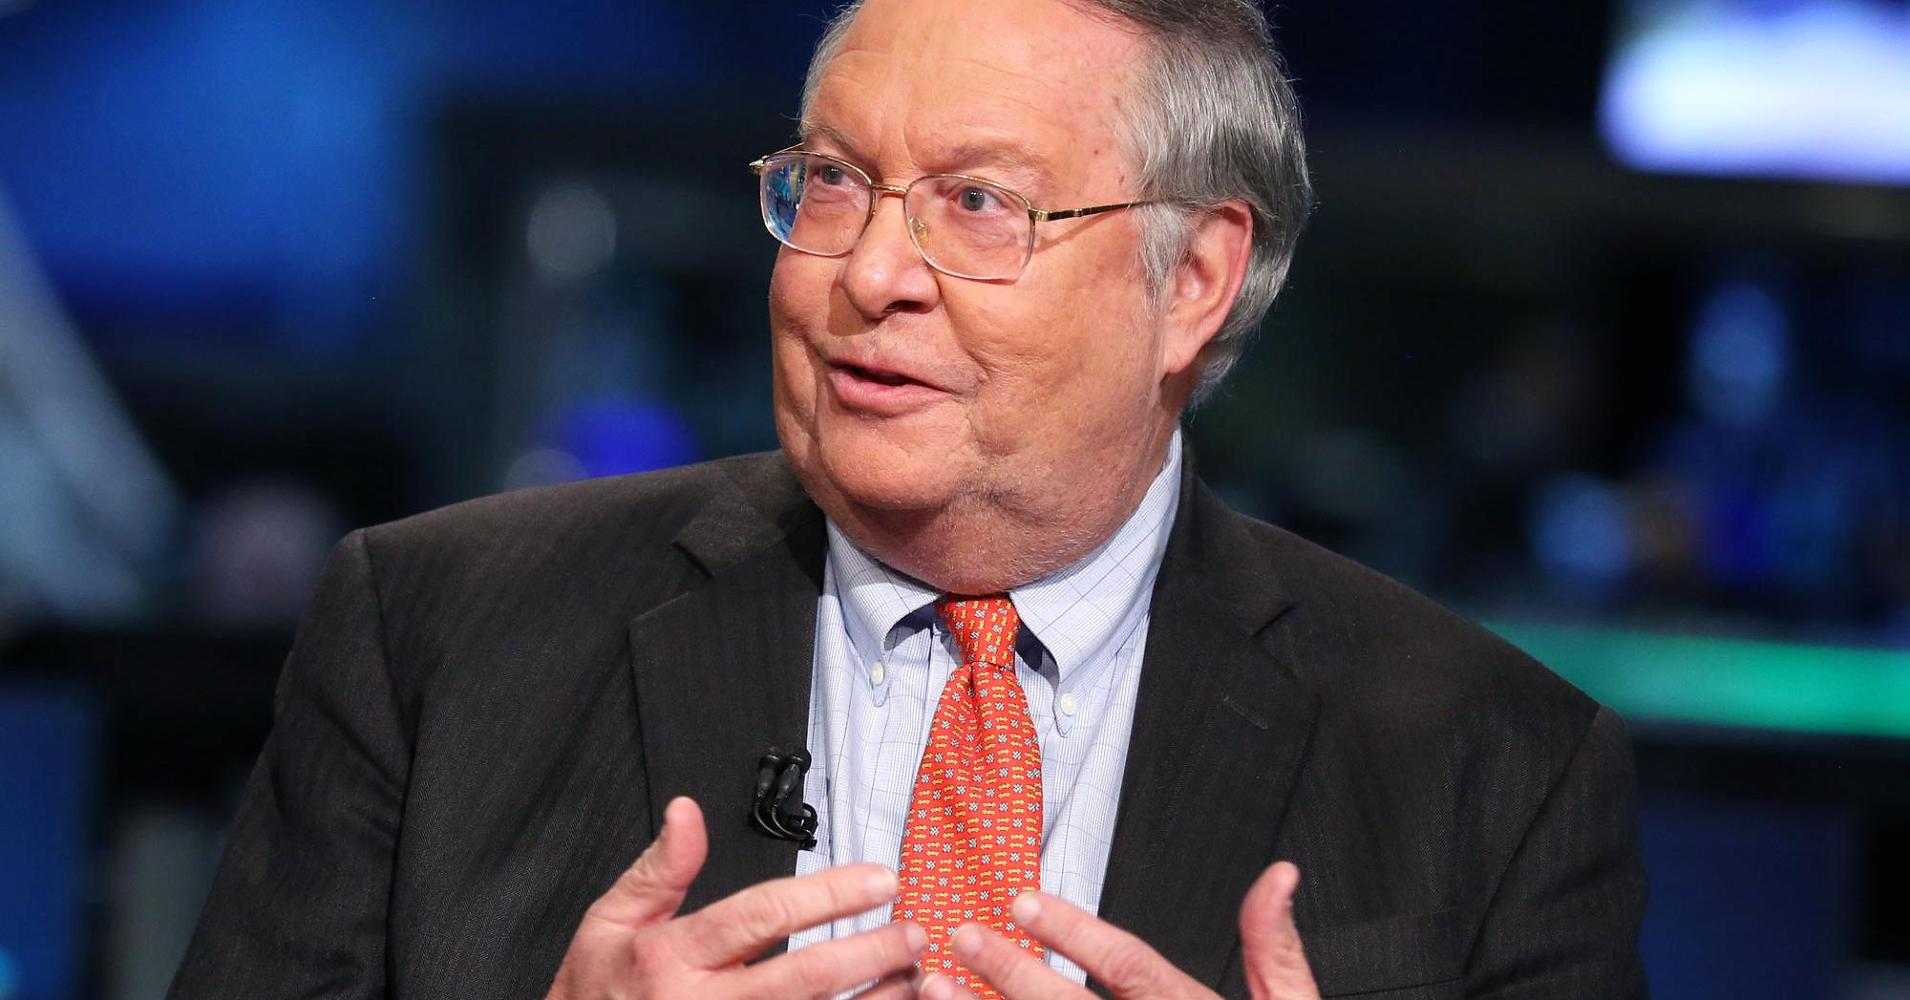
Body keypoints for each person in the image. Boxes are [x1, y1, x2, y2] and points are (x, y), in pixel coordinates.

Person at [169, 0, 1649, 997]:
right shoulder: (434, 635)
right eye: (830, 182)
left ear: (1194, 278)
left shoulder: (1492, 766)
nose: (868, 273)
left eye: (978, 203)